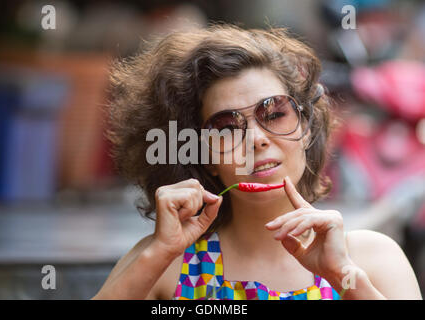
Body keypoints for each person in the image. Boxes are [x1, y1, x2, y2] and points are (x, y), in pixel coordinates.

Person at [92, 24, 422, 300]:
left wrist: (346, 279)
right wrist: (157, 253)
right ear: (204, 156)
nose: (256, 139)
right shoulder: (170, 266)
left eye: (275, 114)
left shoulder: (372, 259)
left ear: (306, 130)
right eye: (227, 128)